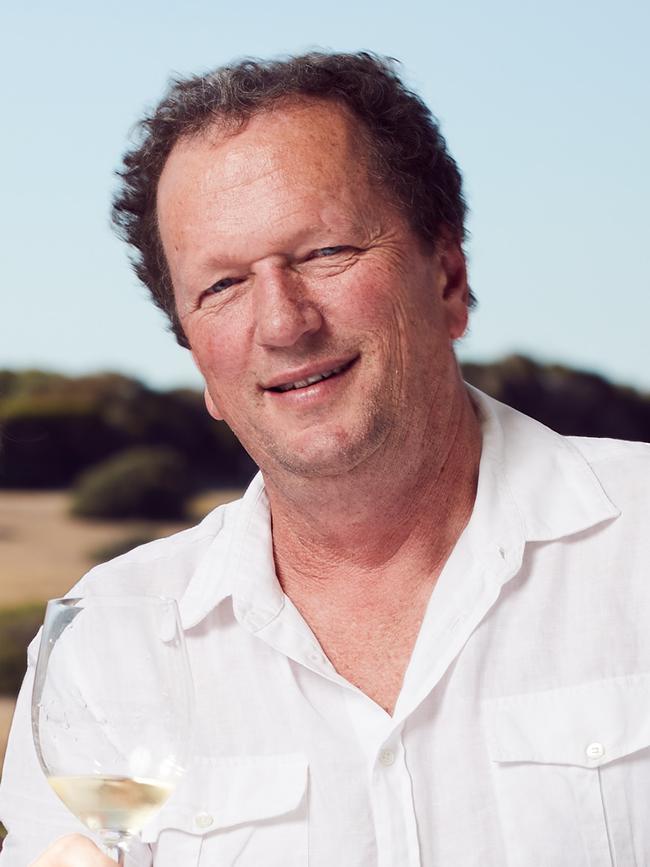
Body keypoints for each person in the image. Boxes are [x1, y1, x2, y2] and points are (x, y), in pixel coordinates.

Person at [1, 51, 650, 867]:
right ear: (201, 363)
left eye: (322, 252)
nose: (282, 322)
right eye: (223, 285)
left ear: (448, 279)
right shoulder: (104, 648)